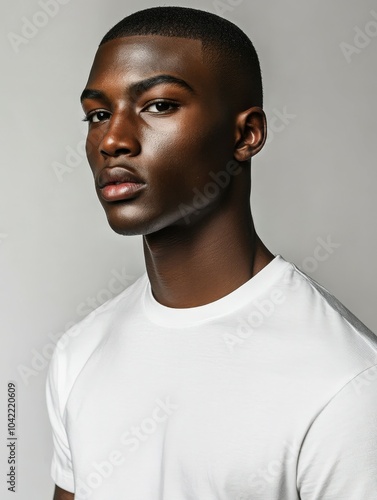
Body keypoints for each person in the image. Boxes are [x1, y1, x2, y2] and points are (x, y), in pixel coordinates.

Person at [46, 6, 377, 500]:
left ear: (246, 135)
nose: (112, 139)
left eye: (158, 105)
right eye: (98, 114)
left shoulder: (348, 383)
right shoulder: (79, 353)